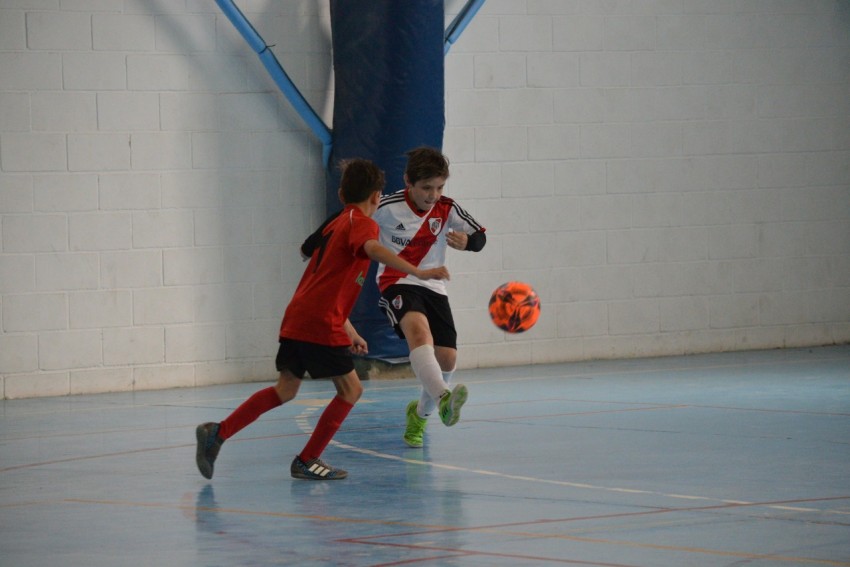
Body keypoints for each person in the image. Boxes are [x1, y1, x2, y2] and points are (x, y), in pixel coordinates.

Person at [195, 159, 450, 481]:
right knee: (351, 390)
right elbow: (372, 248)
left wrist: (350, 329)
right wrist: (418, 271)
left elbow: (327, 285)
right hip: (319, 323)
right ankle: (308, 459)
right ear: (376, 197)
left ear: (342, 194)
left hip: (299, 317)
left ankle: (218, 432)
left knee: (285, 390)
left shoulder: (336, 223)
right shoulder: (362, 224)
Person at [372, 147, 486, 448]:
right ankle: (444, 399)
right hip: (396, 281)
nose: (433, 195)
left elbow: (481, 237)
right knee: (419, 333)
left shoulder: (448, 208)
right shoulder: (386, 207)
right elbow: (349, 224)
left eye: (439, 187)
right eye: (426, 188)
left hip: (433, 286)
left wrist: (468, 242)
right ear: (408, 181)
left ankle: (419, 416)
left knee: (447, 357)